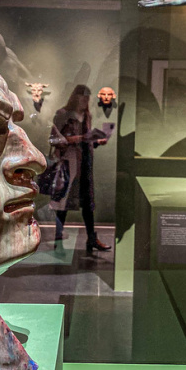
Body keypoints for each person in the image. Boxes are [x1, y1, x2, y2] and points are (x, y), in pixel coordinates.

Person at [49, 85, 111, 254]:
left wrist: (96, 142)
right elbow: (55, 140)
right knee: (63, 203)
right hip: (69, 164)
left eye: (87, 98)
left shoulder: (87, 116)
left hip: (85, 164)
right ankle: (58, 238)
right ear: (75, 97)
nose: (85, 101)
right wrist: (81, 138)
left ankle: (92, 239)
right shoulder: (62, 115)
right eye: (83, 97)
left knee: (88, 204)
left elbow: (86, 141)